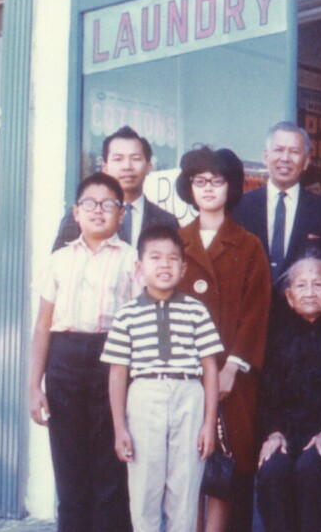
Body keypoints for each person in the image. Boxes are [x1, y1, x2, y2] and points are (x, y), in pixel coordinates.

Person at [28, 173, 138, 531]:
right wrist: (34, 386)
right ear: (76, 213)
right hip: (65, 361)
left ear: (121, 214)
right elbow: (43, 326)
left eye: (109, 204)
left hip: (114, 362)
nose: (98, 211)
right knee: (70, 469)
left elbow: (140, 322)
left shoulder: (133, 260)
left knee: (111, 468)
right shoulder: (59, 260)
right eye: (89, 203)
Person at [175, 146, 273, 532]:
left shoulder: (248, 245)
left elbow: (257, 310)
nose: (209, 188)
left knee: (225, 470)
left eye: (217, 181)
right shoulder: (174, 242)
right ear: (189, 187)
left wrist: (235, 364)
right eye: (200, 181)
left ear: (231, 187)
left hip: (234, 379)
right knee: (186, 468)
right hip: (183, 376)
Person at [102, 225, 222, 532]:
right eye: (155, 258)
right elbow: (118, 373)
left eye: (172, 259)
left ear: (183, 269)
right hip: (144, 395)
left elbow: (210, 367)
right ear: (140, 268)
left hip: (188, 393)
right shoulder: (127, 314)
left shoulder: (196, 311)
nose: (165, 264)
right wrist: (119, 428)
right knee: (144, 485)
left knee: (185, 485)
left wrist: (209, 423)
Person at [256, 254, 321, 532]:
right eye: (301, 286)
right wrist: (274, 432)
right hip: (287, 432)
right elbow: (267, 394)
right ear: (289, 296)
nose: (310, 292)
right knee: (272, 470)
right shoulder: (276, 336)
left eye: (317, 285)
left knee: (310, 469)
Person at [231, 121, 321, 313]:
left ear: (306, 161)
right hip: (251, 325)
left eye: (294, 151)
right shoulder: (239, 208)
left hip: (304, 331)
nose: (285, 158)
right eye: (278, 150)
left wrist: (314, 322)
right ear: (265, 156)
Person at [52, 125, 179, 251]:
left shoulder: (166, 221)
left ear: (149, 167)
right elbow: (59, 264)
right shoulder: (82, 214)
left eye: (135, 158)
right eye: (118, 159)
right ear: (105, 168)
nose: (127, 166)